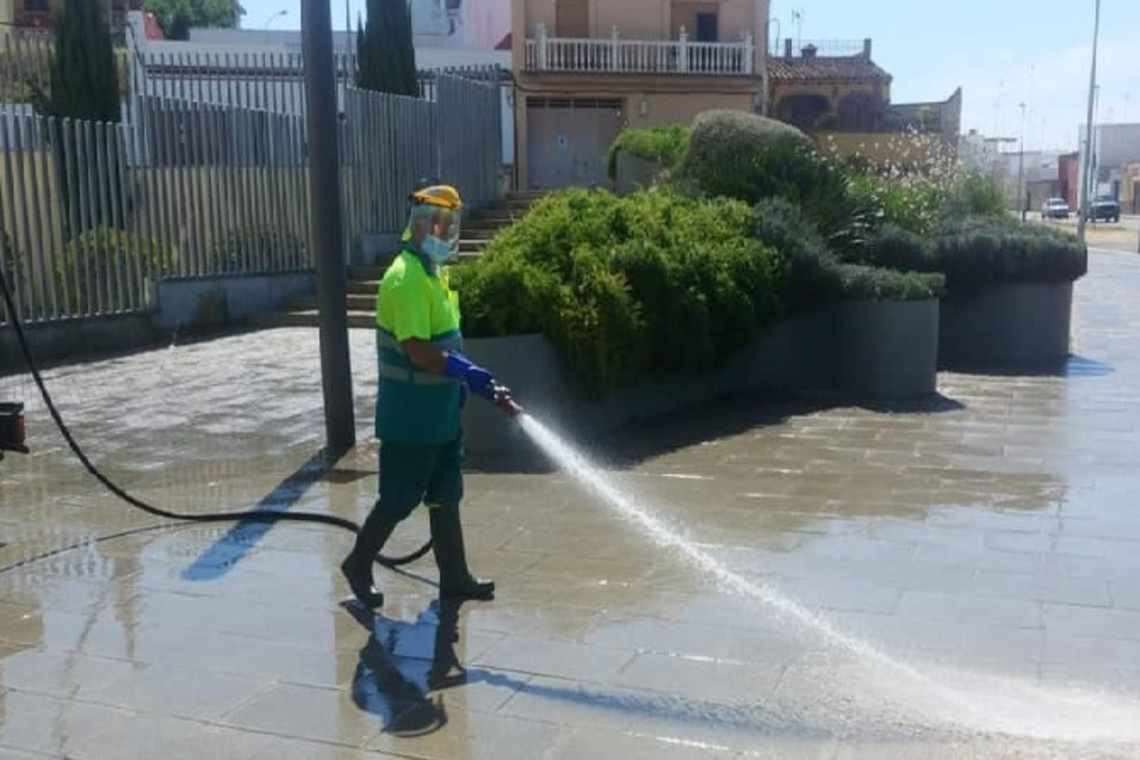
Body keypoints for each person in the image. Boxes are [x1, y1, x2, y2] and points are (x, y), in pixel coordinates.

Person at [341, 182, 498, 609]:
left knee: (446, 494)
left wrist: (465, 383)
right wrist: (469, 373)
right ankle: (358, 563)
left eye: (451, 224)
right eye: (439, 223)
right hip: (412, 417)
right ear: (419, 224)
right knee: (399, 497)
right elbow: (420, 352)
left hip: (442, 413)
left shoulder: (435, 275)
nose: (446, 233)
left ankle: (455, 576)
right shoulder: (406, 278)